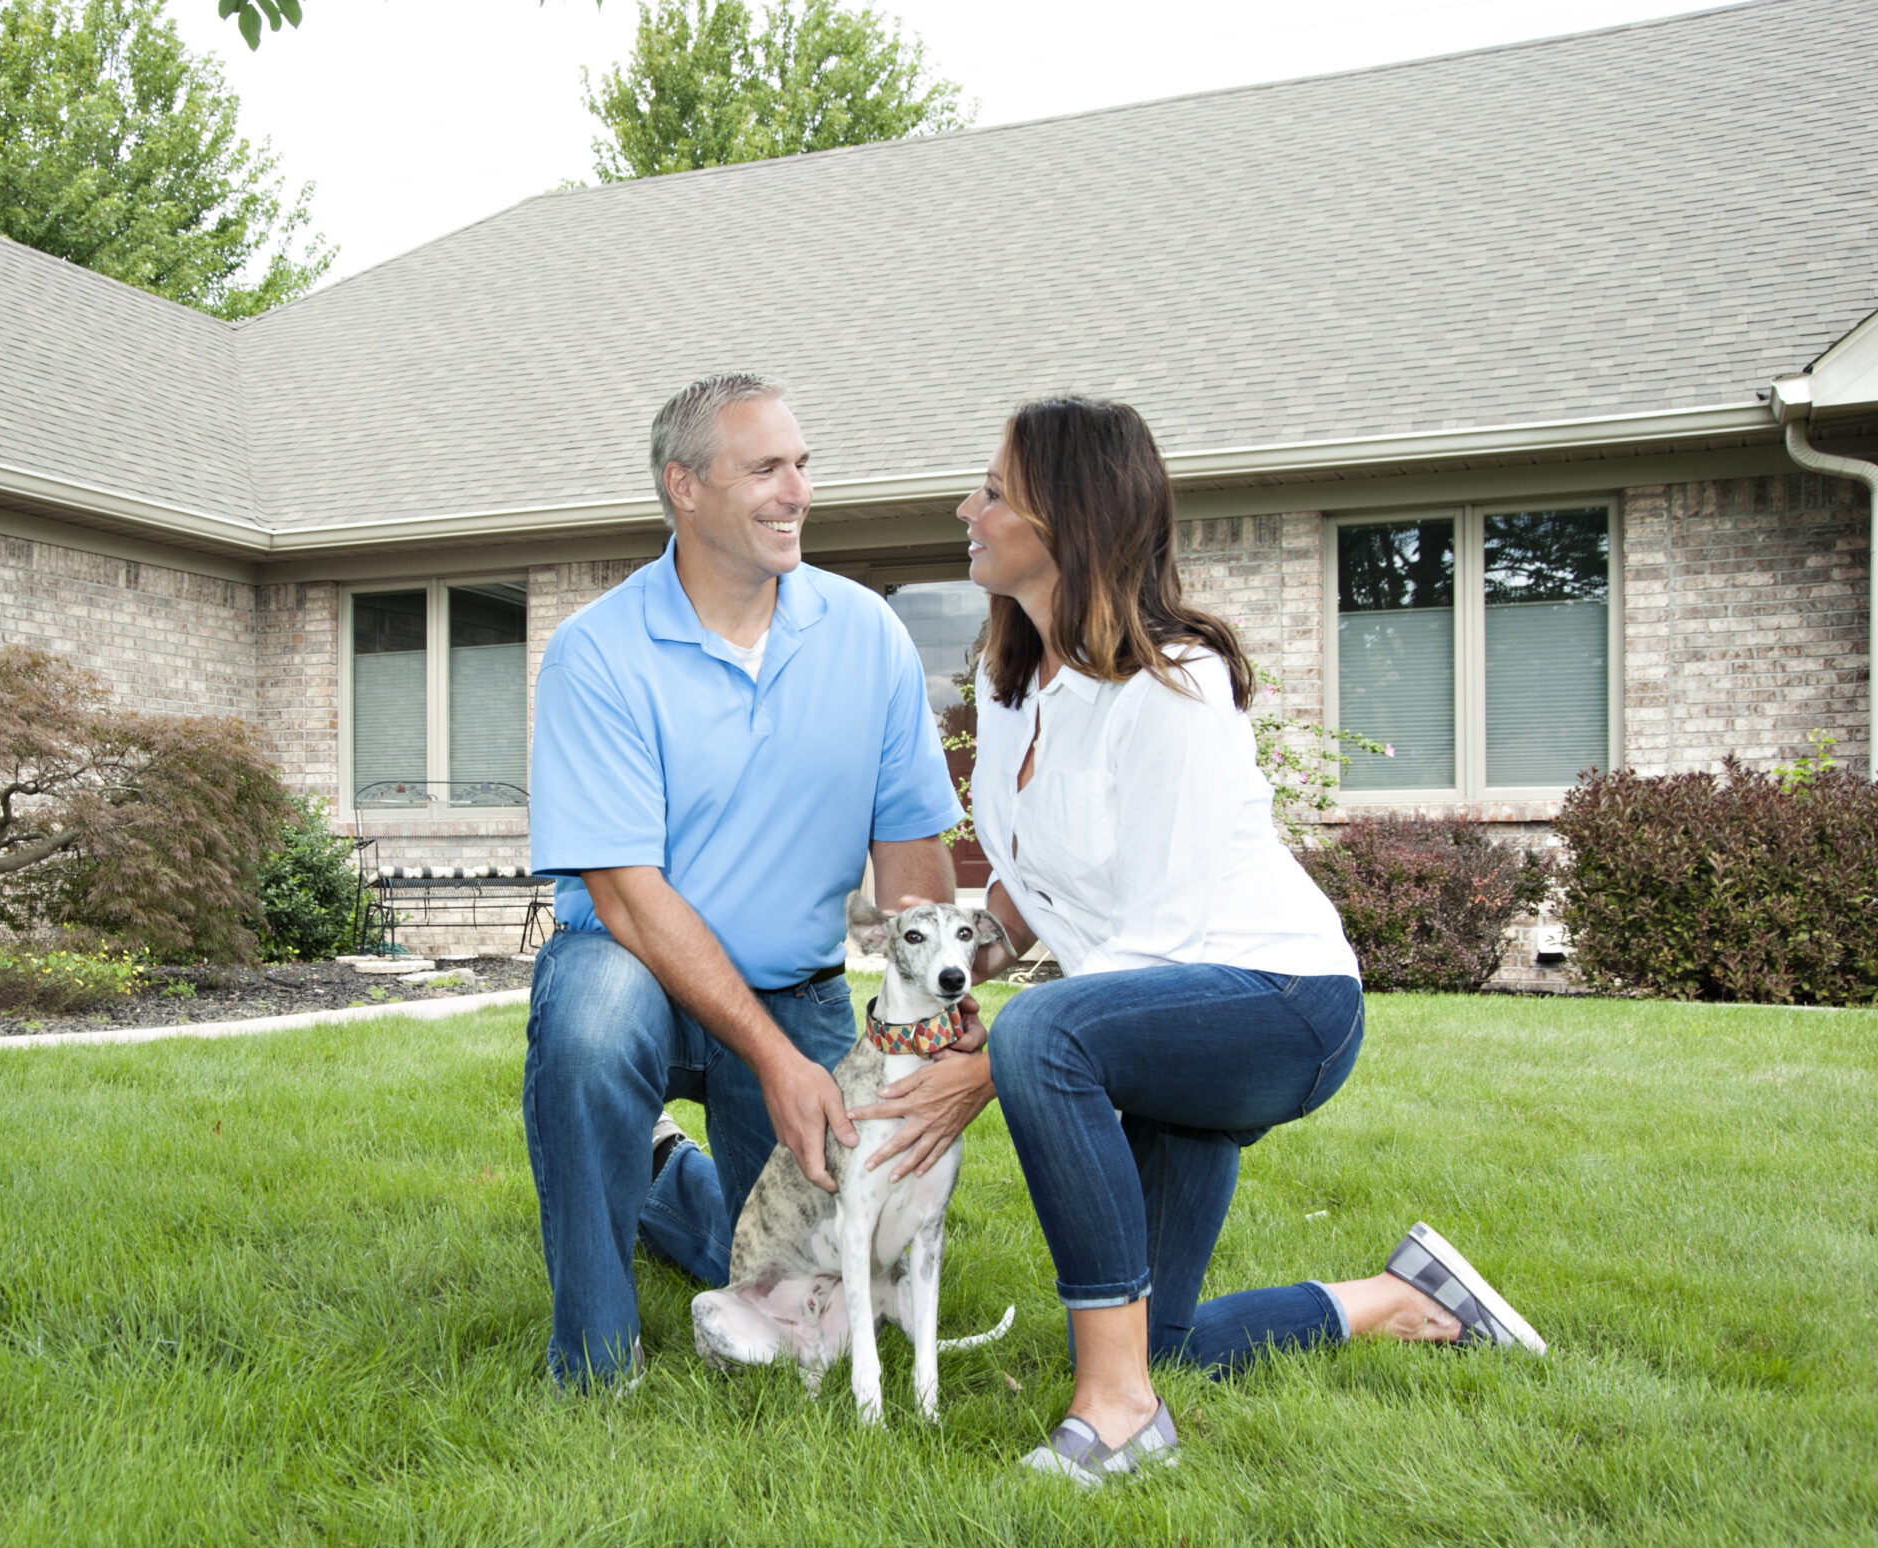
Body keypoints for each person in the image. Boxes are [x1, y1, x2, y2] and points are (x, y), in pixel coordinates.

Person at [850, 396, 1544, 1484]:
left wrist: (984, 1063)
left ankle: (1116, 1415)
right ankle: (1399, 1299)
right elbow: (1036, 888)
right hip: (1155, 1026)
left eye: (991, 489)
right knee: (1161, 1334)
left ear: (1066, 515)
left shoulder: (1172, 683)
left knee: (1042, 1039)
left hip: (1277, 1003)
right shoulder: (1017, 688)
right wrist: (950, 975)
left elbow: (1162, 930)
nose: (964, 507)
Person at [523, 372, 967, 1387]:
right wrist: (775, 1059)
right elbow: (630, 894)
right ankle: (594, 1356)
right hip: (634, 970)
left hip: (792, 982)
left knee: (791, 1255)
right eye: (764, 468)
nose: (796, 491)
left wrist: (925, 1032)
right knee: (587, 1024)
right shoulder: (599, 652)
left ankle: (656, 1178)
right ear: (684, 487)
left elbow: (908, 858)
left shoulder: (866, 636)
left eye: (802, 465)